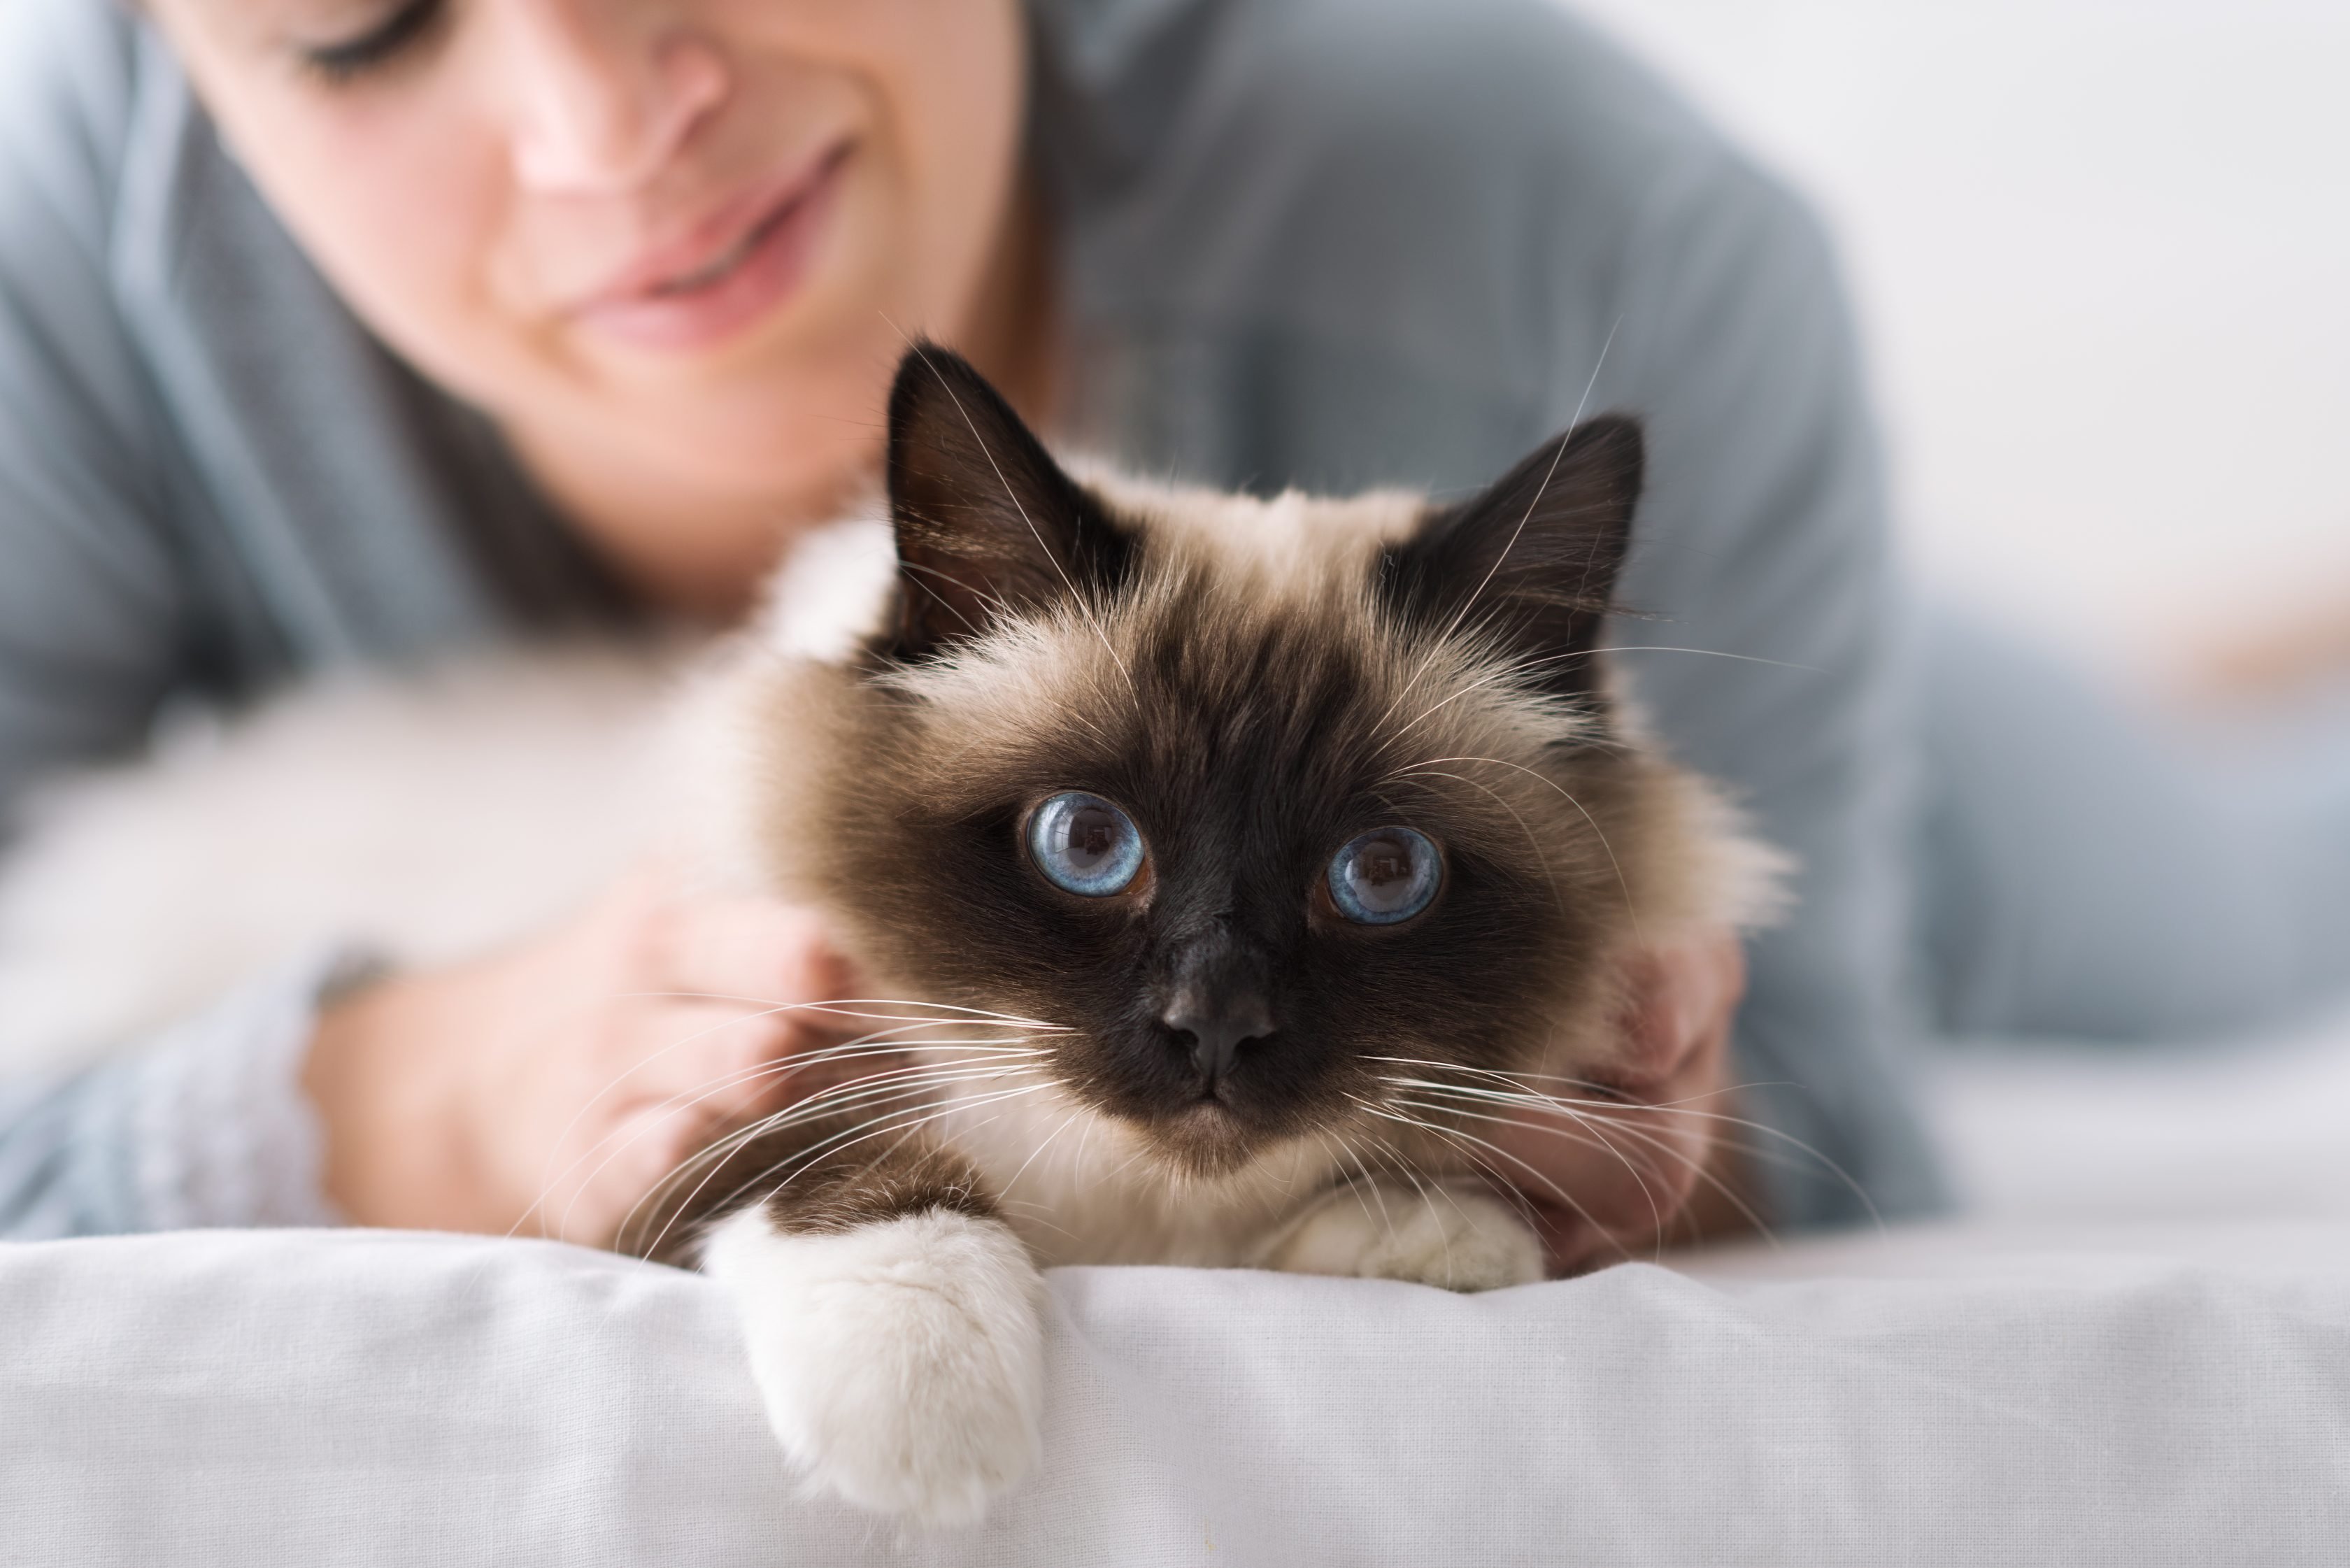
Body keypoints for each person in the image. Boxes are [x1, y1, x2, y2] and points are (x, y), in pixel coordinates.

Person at [0, 0, 2341, 1255]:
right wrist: (446, 1083)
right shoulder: (56, 263)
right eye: (358, 24)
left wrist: (1652, 1131)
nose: (609, 128)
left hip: (1938, 745)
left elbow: (1850, 1139)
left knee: (2257, 863)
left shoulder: (1588, 223)